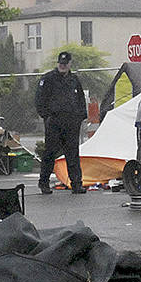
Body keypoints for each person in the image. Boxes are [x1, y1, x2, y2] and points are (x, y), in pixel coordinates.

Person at [35, 50, 87, 194]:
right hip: (54, 121)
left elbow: (81, 99)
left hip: (71, 122)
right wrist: (46, 116)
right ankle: (44, 182)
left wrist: (80, 117)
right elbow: (39, 99)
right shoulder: (48, 79)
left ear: (70, 64)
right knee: (50, 153)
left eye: (65, 64)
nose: (62, 66)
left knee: (73, 154)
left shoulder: (74, 80)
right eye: (60, 63)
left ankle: (76, 183)